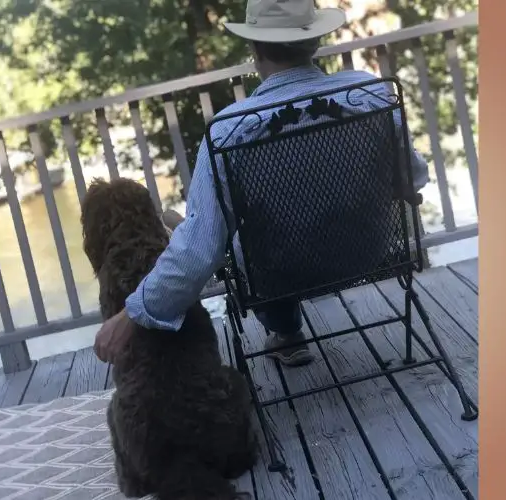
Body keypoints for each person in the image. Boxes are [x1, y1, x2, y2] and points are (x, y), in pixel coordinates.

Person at [94, 0, 430, 367]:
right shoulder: (370, 94)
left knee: (228, 232)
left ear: (254, 49)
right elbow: (413, 176)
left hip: (280, 276)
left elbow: (199, 251)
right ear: (315, 42)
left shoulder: (230, 130)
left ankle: (286, 331)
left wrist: (132, 314)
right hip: (371, 251)